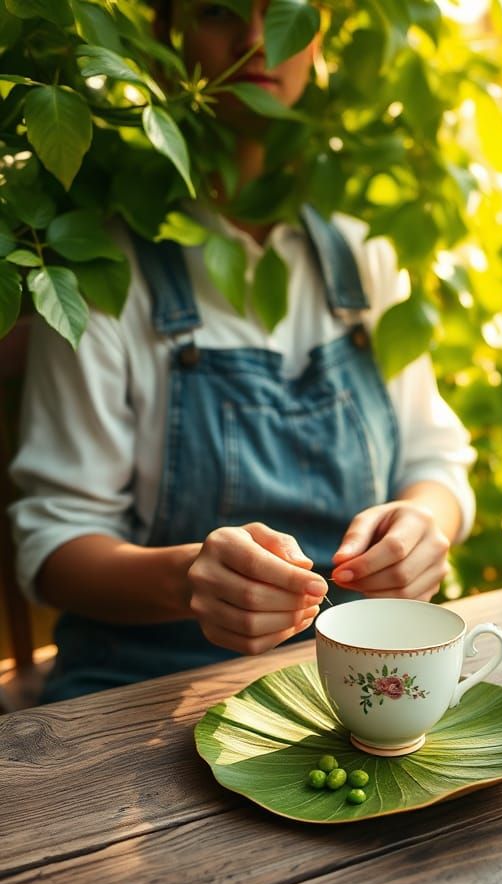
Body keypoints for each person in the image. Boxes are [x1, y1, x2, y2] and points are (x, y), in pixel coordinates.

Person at [8, 0, 476, 703]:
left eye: (285, 10)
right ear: (169, 38)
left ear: (315, 38)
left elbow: (434, 462)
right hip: (147, 689)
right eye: (220, 9)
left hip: (353, 689)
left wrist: (423, 526)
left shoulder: (364, 256)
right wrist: (186, 578)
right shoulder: (105, 277)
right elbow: (53, 547)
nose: (257, 40)